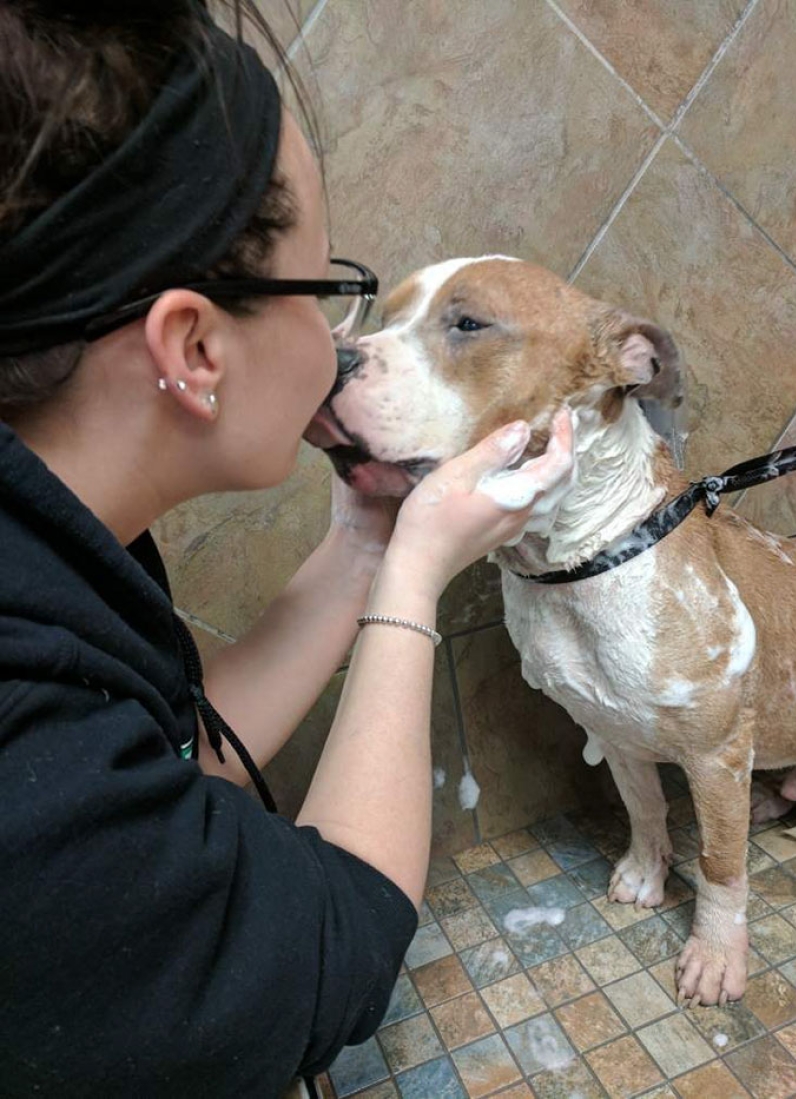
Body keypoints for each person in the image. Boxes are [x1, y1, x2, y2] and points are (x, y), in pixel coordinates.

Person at [0, 2, 574, 1095]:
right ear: (195, 346)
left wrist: (367, 539)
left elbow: (166, 759)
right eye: (328, 291)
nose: (343, 346)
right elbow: (333, 949)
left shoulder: (51, 543)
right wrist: (415, 575)